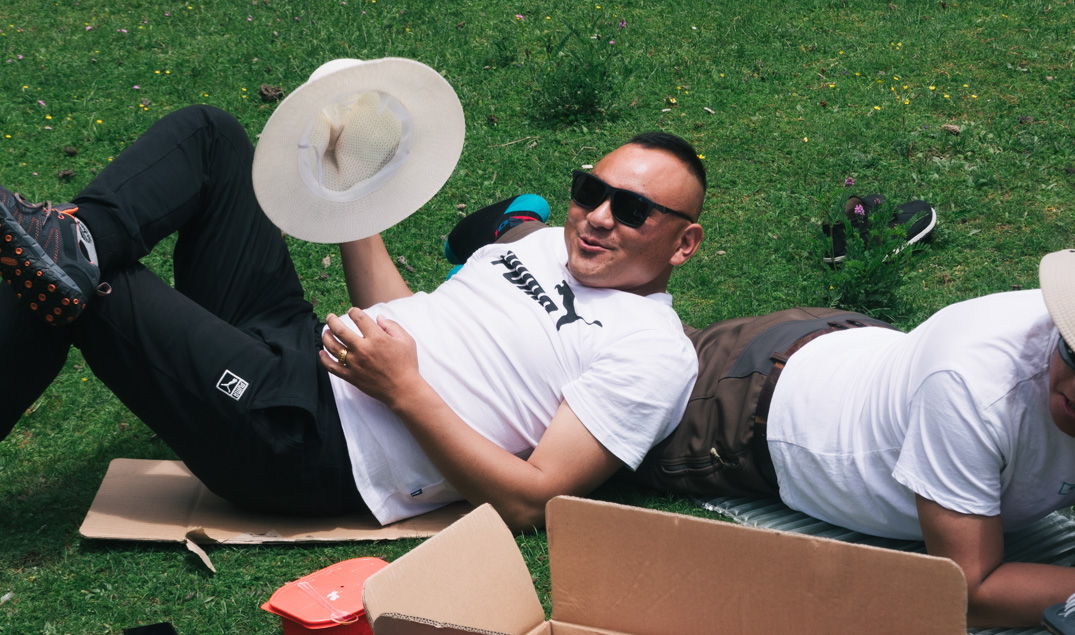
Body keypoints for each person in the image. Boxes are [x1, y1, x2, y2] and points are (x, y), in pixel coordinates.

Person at [1, 59, 704, 533]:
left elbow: (534, 498)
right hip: (312, 353)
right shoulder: (543, 242)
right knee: (211, 137)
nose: (600, 217)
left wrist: (405, 391)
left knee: (89, 286)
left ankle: (70, 252)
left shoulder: (651, 352)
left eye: (633, 210)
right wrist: (352, 196)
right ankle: (81, 238)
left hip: (312, 447)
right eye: (592, 192)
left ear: (684, 243)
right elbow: (401, 314)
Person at [638, 221, 1075, 627]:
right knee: (583, 375)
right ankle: (540, 236)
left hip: (846, 352)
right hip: (740, 412)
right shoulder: (973, 382)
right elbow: (969, 593)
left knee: (607, 328)